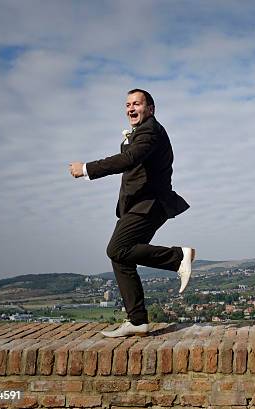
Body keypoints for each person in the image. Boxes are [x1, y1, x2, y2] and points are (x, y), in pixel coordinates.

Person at [69, 89, 195, 338]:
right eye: (127, 104)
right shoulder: (140, 134)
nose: (130, 108)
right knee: (120, 257)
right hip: (138, 205)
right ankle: (137, 320)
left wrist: (86, 169)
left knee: (116, 249)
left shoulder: (150, 131)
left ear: (151, 109)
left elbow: (129, 159)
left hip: (149, 204)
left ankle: (177, 257)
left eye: (136, 103)